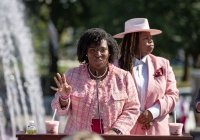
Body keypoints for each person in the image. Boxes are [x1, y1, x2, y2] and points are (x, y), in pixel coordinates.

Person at [51, 28, 140, 135]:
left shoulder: (124, 77)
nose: (98, 54)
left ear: (110, 52)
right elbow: (60, 112)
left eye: (103, 49)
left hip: (114, 137)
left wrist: (116, 131)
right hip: (78, 136)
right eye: (92, 50)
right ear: (85, 53)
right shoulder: (71, 75)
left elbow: (133, 109)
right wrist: (64, 98)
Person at [113, 18, 179, 135]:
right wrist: (138, 114)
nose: (151, 41)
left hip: (157, 133)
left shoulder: (163, 64)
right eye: (146, 38)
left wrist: (153, 112)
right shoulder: (115, 67)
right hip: (127, 132)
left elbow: (173, 95)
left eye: (151, 38)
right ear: (133, 42)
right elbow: (111, 97)